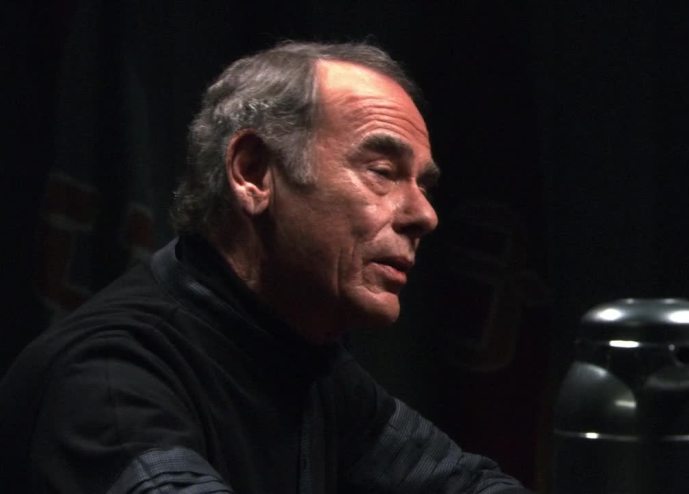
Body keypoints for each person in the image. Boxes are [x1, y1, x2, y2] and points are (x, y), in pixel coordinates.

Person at [0, 41, 532, 493]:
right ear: (253, 172)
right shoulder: (109, 378)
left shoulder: (307, 364)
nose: (425, 215)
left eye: (423, 185)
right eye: (382, 171)